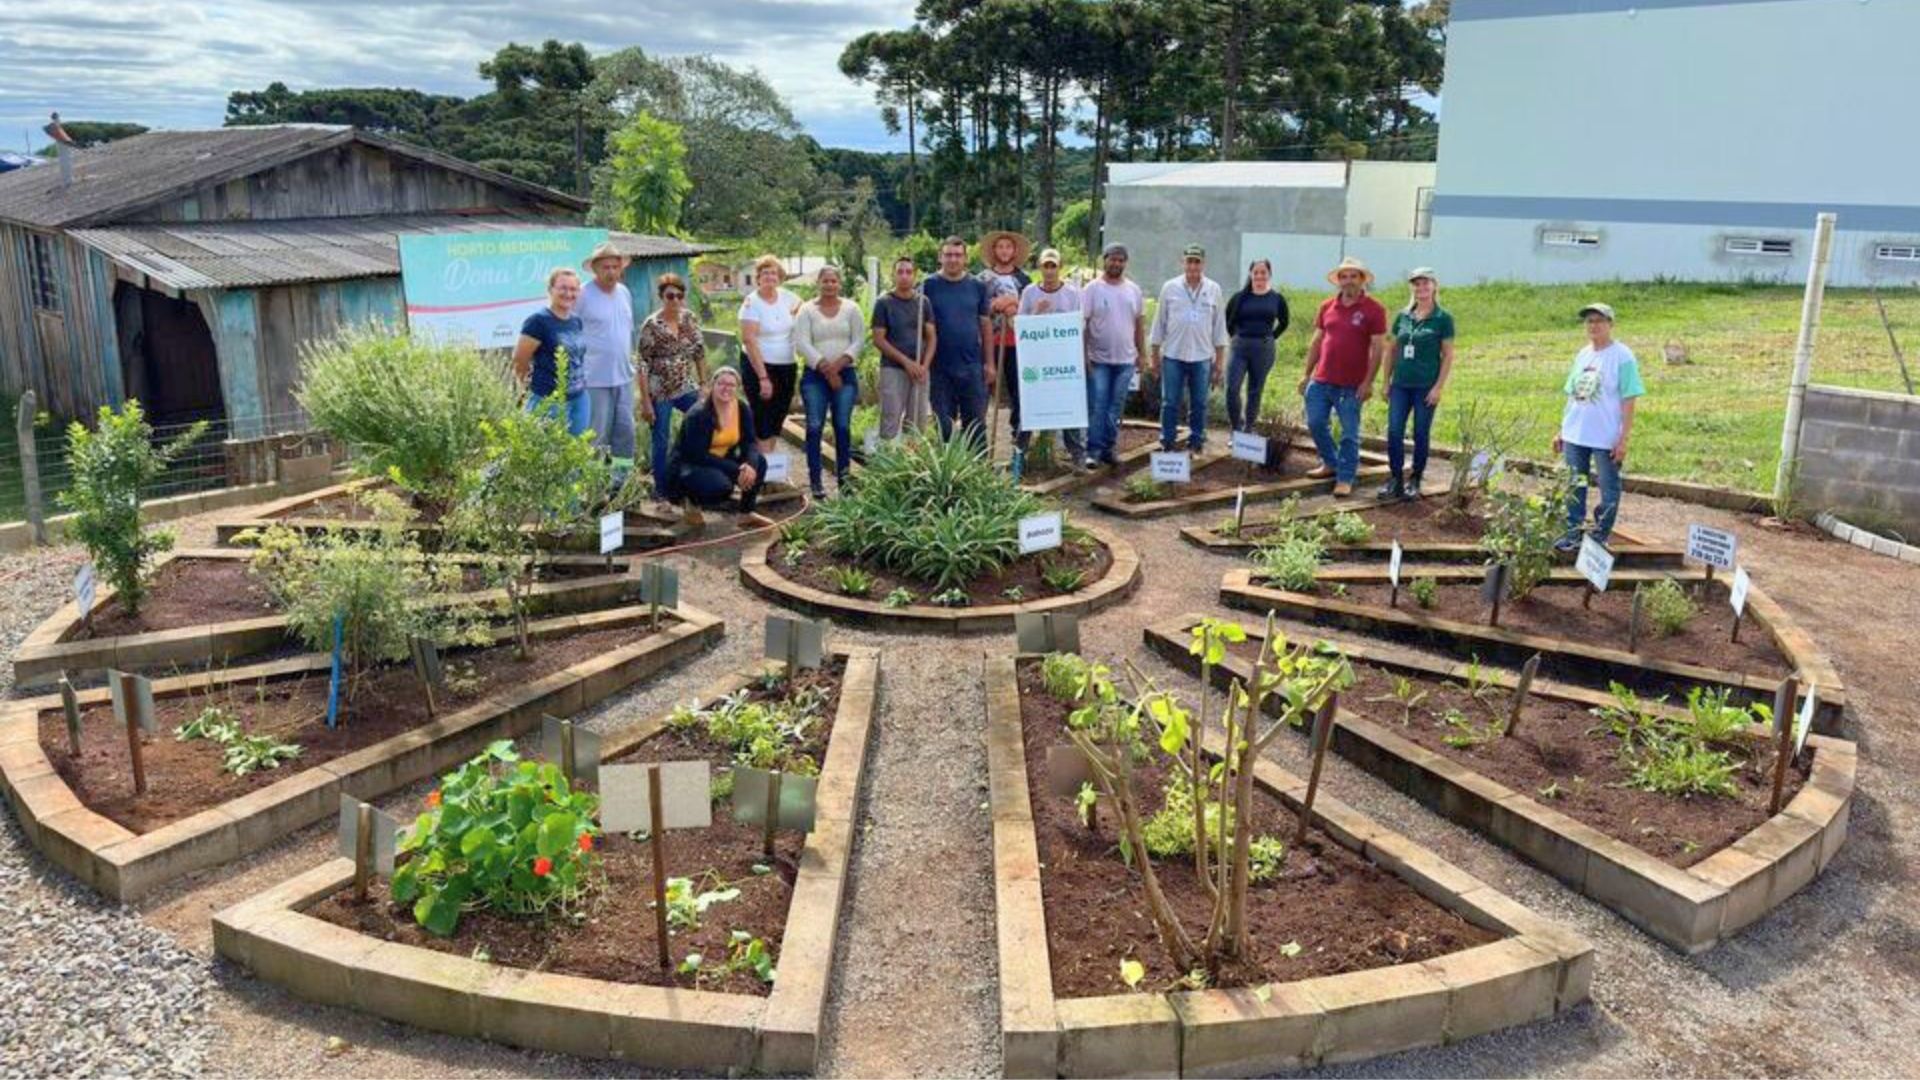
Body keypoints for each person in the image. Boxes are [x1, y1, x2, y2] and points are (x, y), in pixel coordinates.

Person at [1554, 302, 1644, 551]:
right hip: (1576, 433)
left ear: (1610, 325)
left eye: (1599, 321)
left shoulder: (1622, 356)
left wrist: (1623, 438)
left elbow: (1629, 398)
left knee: (1608, 486)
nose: (1594, 326)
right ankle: (1572, 532)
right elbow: (1572, 394)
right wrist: (1562, 429)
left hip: (1605, 436)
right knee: (1575, 484)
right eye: (1589, 321)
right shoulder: (1583, 354)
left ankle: (1600, 534)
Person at [1298, 256, 1388, 497]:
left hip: (1351, 386)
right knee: (1315, 422)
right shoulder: (1327, 307)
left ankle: (1345, 477)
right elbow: (1317, 341)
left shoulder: (1374, 310)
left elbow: (1379, 348)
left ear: (1361, 280)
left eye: (1353, 276)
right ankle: (1330, 463)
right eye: (1344, 276)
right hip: (1321, 380)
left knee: (1349, 433)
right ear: (1338, 281)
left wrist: (1368, 382)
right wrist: (1306, 374)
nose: (1348, 281)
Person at [1377, 268, 1456, 501]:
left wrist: (1438, 387)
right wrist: (1385, 381)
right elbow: (1391, 349)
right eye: (1416, 284)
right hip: (1401, 384)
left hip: (1425, 386)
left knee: (1420, 432)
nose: (1421, 288)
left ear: (1434, 286)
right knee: (1393, 431)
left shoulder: (1443, 319)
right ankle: (1395, 478)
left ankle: (1415, 478)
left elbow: (1448, 356)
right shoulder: (1403, 317)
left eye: (1425, 284)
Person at [1147, 244, 1228, 454]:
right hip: (1173, 355)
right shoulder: (1169, 287)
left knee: (1200, 403)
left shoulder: (1214, 289)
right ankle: (1168, 441)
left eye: (1197, 261)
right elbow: (1159, 325)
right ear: (1182, 262)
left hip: (1202, 357)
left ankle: (1196, 440)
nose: (1193, 265)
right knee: (1170, 402)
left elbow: (1219, 328)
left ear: (1203, 264)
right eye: (1189, 261)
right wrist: (1154, 357)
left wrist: (1219, 362)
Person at [794, 265, 865, 499]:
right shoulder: (806, 310)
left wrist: (837, 367)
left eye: (834, 281)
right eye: (825, 281)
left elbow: (858, 341)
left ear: (839, 283)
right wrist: (826, 368)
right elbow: (802, 343)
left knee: (842, 427)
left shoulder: (852, 309)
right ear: (819, 283)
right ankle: (816, 482)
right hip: (815, 376)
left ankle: (844, 480)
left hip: (845, 373)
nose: (829, 285)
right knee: (814, 426)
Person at [636, 273, 708, 508]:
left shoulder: (690, 319)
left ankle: (694, 479)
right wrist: (646, 401)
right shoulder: (652, 324)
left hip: (686, 386)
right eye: (670, 296)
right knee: (661, 439)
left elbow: (699, 353)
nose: (675, 300)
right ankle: (661, 491)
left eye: (679, 295)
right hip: (660, 391)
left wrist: (704, 385)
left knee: (705, 423)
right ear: (661, 297)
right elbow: (642, 363)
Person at [1017, 247, 1087, 464]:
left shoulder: (1072, 293)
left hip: (1064, 361)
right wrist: (1036, 314)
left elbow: (1079, 326)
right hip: (1036, 362)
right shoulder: (1029, 292)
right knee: (1029, 405)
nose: (1049, 271)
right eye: (1045, 266)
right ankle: (1019, 453)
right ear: (1039, 268)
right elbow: (1020, 326)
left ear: (1060, 268)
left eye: (1053, 266)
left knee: (1069, 406)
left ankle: (1077, 455)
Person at [576, 242, 639, 481]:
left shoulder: (624, 293)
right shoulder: (582, 294)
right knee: (597, 436)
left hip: (623, 377)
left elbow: (627, 333)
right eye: (606, 267)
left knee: (625, 433)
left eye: (615, 266)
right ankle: (593, 488)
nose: (611, 271)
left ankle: (619, 485)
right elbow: (571, 332)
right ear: (595, 269)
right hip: (594, 379)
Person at [665, 367, 767, 514]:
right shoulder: (699, 414)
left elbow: (750, 441)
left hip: (719, 460)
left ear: (737, 388)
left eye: (731, 385)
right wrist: (736, 469)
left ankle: (746, 512)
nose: (726, 388)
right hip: (690, 466)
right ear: (713, 385)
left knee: (759, 463)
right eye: (721, 383)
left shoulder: (741, 408)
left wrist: (749, 466)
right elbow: (697, 455)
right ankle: (690, 501)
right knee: (721, 486)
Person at [923, 235, 994, 445]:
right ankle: (948, 471)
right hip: (939, 368)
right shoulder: (927, 286)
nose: (953, 259)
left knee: (976, 424)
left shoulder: (977, 286)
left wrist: (989, 363)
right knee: (944, 424)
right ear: (940, 257)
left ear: (965, 259)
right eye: (948, 255)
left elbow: (986, 325)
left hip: (972, 366)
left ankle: (977, 472)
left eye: (957, 255)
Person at [1081, 243, 1146, 468]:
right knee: (1098, 405)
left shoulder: (1134, 290)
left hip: (1126, 360)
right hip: (1098, 360)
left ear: (1125, 263)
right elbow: (1084, 325)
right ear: (1104, 260)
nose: (1116, 263)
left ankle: (1109, 448)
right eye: (1112, 259)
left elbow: (1139, 324)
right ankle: (1093, 450)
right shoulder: (1092, 289)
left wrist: (1142, 354)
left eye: (1121, 260)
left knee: (1115, 407)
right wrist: (1084, 357)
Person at [512, 267, 592, 435]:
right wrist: (529, 390)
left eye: (573, 289)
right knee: (549, 455)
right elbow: (519, 360)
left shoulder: (576, 320)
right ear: (550, 290)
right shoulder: (538, 322)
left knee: (576, 452)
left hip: (579, 398)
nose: (568, 293)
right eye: (563, 288)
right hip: (549, 402)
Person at [738, 254, 803, 455]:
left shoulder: (790, 298)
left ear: (780, 277)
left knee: (778, 415)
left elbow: (805, 316)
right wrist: (763, 377)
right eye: (764, 273)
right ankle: (763, 471)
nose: (769, 276)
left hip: (786, 364)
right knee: (763, 416)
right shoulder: (751, 302)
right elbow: (749, 340)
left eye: (773, 273)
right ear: (758, 278)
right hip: (759, 366)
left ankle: (768, 466)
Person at [978, 230, 1032, 463]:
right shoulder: (982, 279)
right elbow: (978, 308)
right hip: (989, 343)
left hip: (1017, 344)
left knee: (1020, 394)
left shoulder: (1024, 280)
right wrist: (995, 304)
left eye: (1008, 247)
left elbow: (1030, 307)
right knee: (981, 393)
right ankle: (978, 444)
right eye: (1000, 247)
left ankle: (1019, 445)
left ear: (1014, 251)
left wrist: (1013, 303)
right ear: (994, 251)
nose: (1004, 251)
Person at [870, 255, 936, 440]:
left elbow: (931, 337)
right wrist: (906, 362)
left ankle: (912, 461)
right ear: (893, 275)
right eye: (900, 272)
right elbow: (879, 339)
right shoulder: (884, 303)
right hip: (893, 368)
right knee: (891, 416)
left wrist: (924, 366)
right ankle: (888, 462)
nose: (904, 276)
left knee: (917, 420)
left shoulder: (924, 302)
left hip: (920, 369)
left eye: (908, 272)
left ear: (914, 275)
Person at [1223, 259, 1290, 433]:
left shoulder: (1276, 298)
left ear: (1269, 274)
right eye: (1256, 272)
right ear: (1251, 274)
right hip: (1239, 348)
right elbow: (1228, 320)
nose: (1259, 276)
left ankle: (1248, 429)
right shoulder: (1239, 298)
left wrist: (1271, 337)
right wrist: (1236, 337)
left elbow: (1284, 322)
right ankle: (1236, 428)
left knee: (1255, 390)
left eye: (1263, 272)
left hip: (1263, 349)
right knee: (1232, 388)